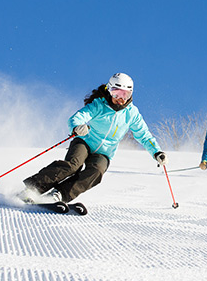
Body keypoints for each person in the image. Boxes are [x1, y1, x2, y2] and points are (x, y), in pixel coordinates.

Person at [20, 72, 168, 203]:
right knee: (73, 165)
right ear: (109, 90)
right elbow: (77, 117)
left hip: (104, 152)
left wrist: (157, 152)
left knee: (96, 172)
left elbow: (144, 135)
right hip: (84, 141)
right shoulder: (99, 105)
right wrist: (77, 127)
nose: (120, 99)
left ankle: (60, 194)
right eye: (116, 93)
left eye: (125, 94)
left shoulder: (132, 114)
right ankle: (33, 188)